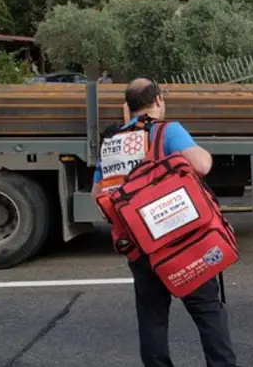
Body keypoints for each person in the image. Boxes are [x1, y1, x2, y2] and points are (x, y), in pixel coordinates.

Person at [91, 76, 239, 367]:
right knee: (208, 310)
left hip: (139, 246)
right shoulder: (167, 131)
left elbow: (99, 197)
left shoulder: (111, 142)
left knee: (152, 320)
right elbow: (202, 165)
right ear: (158, 100)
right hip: (180, 244)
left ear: (128, 106)